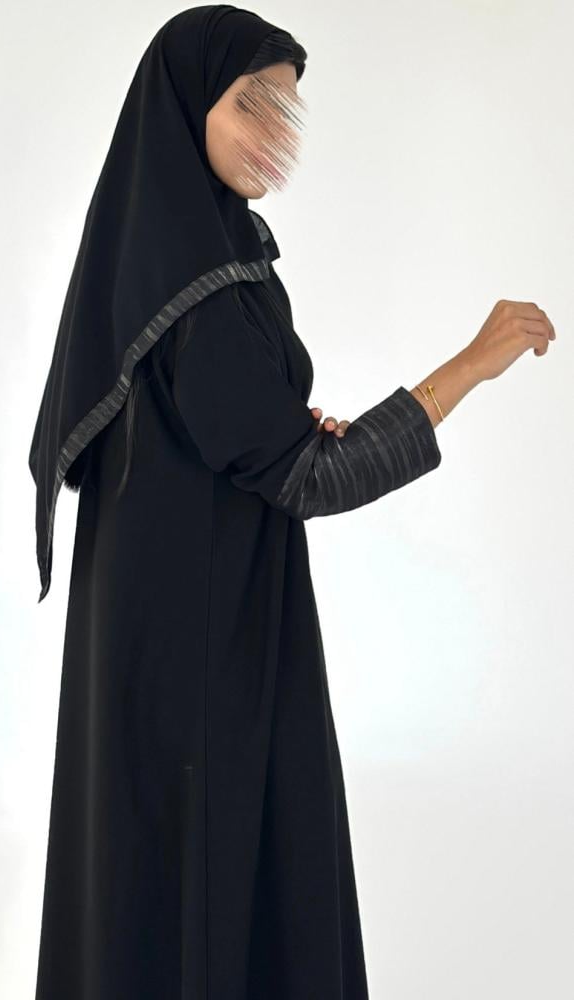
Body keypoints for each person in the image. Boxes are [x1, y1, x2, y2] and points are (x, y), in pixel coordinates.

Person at [27, 6, 556, 999]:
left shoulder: (166, 257)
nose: (275, 132)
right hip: (202, 649)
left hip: (162, 628)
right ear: (186, 110)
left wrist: (273, 428)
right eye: (250, 104)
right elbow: (309, 477)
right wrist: (470, 365)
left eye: (288, 111)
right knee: (216, 884)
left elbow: (228, 438)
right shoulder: (205, 295)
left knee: (166, 888)